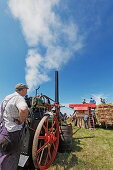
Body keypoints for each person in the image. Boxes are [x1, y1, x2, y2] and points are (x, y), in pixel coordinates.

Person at [0, 83, 29, 170]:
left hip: (3, 130)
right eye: (26, 89)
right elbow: (23, 109)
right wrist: (21, 120)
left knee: (3, 155)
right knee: (12, 157)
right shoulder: (19, 98)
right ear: (22, 90)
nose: (27, 91)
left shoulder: (7, 98)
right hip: (13, 133)